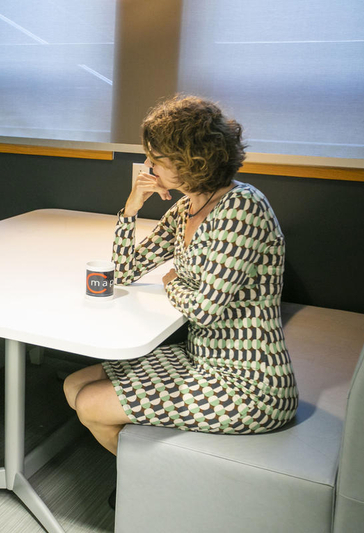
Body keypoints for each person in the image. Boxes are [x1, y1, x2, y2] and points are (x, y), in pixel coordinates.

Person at [63, 95, 298, 478]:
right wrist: (132, 205)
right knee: (75, 384)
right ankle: (155, 482)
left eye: (156, 159)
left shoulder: (243, 208)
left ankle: (161, 487)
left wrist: (173, 282)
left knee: (90, 404)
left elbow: (203, 309)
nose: (147, 166)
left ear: (192, 161)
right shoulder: (188, 205)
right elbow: (123, 269)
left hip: (248, 383)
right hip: (201, 357)